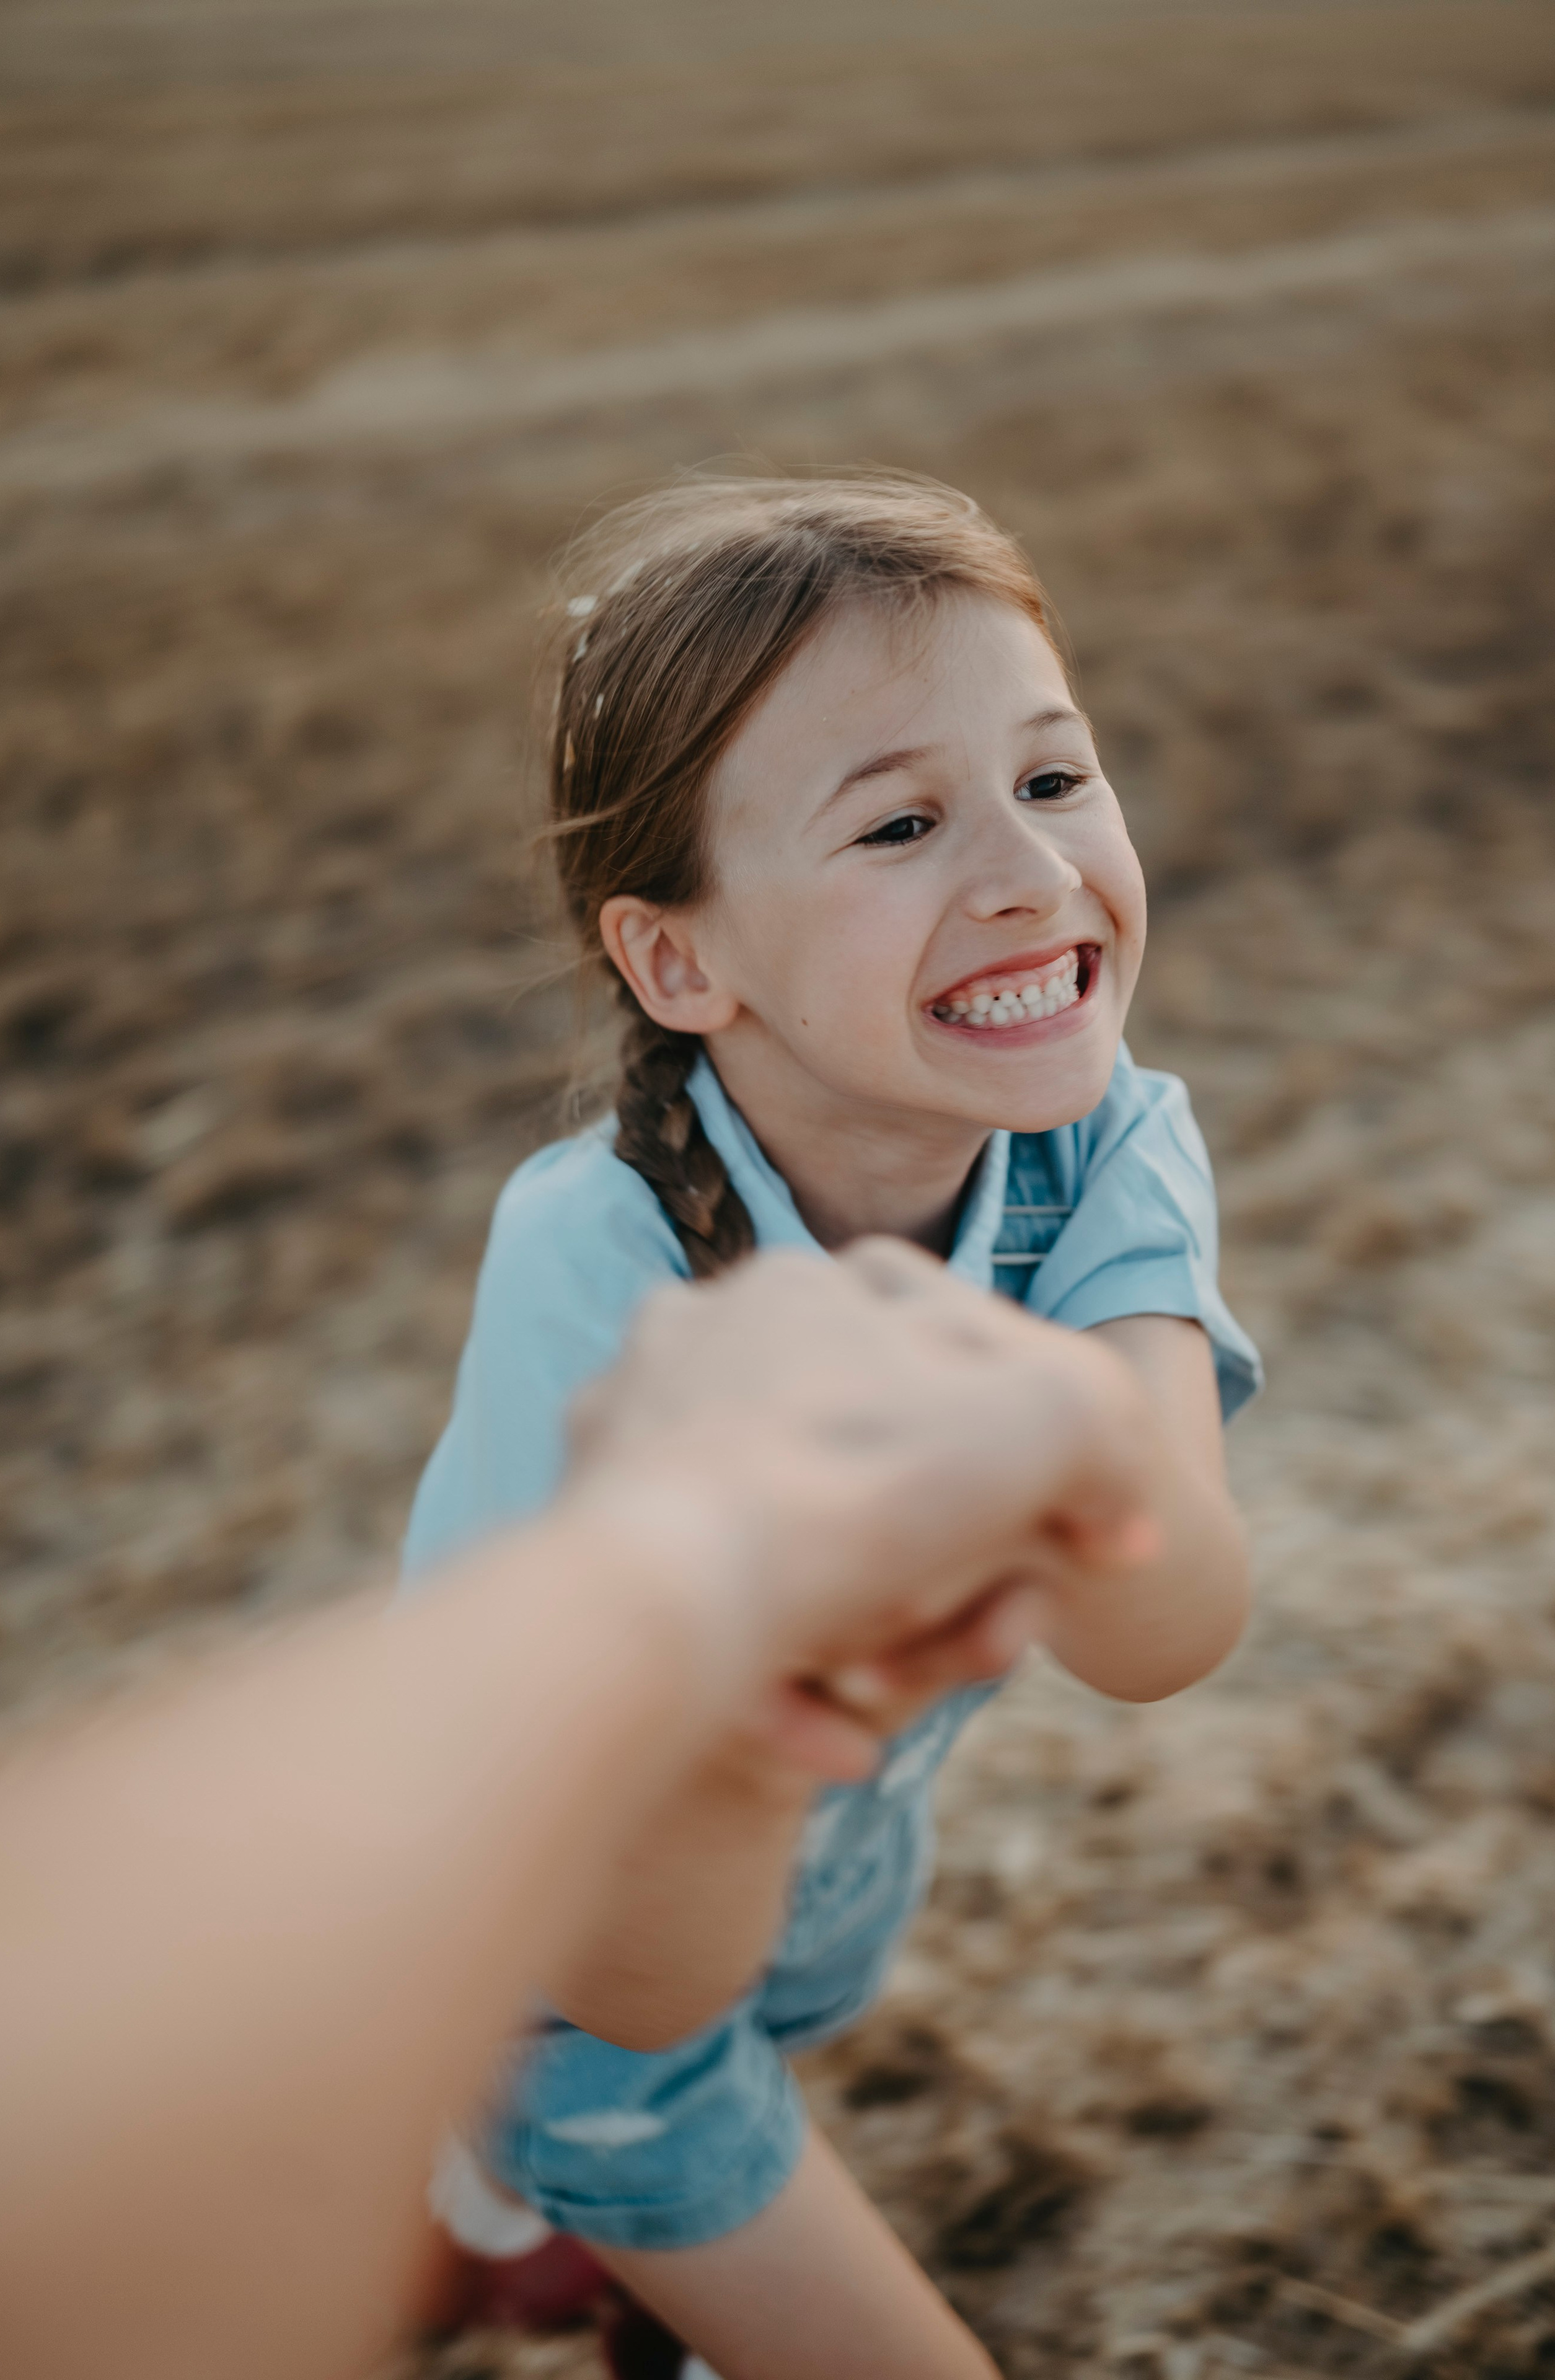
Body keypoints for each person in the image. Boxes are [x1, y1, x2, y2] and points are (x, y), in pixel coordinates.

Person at [403, 474, 1263, 2380]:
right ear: (680, 962)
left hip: (808, 1904)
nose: (1036, 876)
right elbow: (635, 1964)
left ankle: (517, 2228)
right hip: (567, 1973)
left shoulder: (1116, 1137)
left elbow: (1164, 1633)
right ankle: (517, 2175)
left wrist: (1049, 1415)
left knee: (773, 2020)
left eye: (1056, 779)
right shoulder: (599, 1259)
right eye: (900, 822)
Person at [0, 1241, 1163, 2380]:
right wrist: (710, 1539)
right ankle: (492, 2156)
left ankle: (485, 2175)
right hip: (579, 2023)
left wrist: (703, 1549)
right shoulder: (578, 1232)